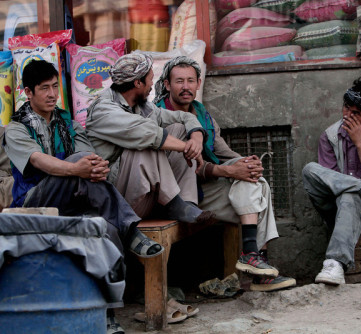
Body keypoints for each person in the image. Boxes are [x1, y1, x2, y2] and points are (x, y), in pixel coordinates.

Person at [3, 59, 164, 334]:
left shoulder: (66, 122)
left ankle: (107, 314)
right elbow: (39, 161)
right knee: (79, 161)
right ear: (28, 92)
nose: (53, 94)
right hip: (34, 201)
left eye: (55, 86)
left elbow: (90, 156)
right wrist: (79, 167)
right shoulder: (16, 128)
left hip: (74, 198)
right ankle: (132, 229)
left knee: (105, 227)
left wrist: (96, 166)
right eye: (44, 88)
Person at [152, 56, 296, 292]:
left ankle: (253, 257)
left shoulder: (203, 115)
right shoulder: (160, 116)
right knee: (251, 185)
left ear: (199, 83)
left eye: (190, 81)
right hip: (175, 195)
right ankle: (256, 261)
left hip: (203, 189)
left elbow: (223, 152)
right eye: (179, 81)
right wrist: (228, 170)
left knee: (256, 181)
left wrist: (246, 164)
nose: (185, 87)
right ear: (167, 85)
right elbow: (182, 169)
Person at [86, 53, 214, 224]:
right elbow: (148, 134)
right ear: (138, 82)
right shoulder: (103, 110)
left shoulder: (142, 105)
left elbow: (182, 117)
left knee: (178, 129)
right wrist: (186, 148)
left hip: (144, 193)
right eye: (150, 79)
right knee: (146, 144)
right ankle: (174, 204)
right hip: (117, 201)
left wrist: (196, 138)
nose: (152, 85)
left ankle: (185, 204)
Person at [302, 79, 361, 285]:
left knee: (349, 195)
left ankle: (335, 264)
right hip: (338, 206)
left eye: (356, 114)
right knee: (310, 170)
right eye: (346, 108)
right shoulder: (330, 136)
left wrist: (360, 143)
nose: (347, 115)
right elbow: (331, 181)